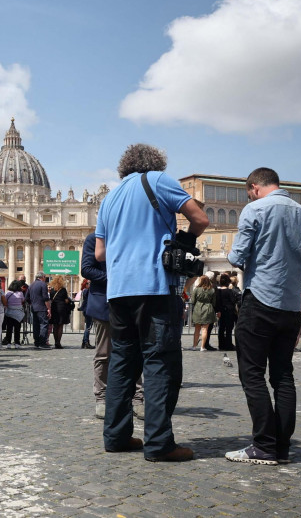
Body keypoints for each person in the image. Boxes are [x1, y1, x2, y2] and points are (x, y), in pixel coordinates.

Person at [95, 143, 208, 462]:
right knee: (160, 363)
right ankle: (159, 443)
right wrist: (184, 242)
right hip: (155, 286)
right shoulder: (159, 180)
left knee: (121, 364)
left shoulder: (109, 198)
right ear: (156, 164)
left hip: (118, 292)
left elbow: (100, 254)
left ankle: (115, 436)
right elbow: (200, 219)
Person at [226, 167, 301, 466]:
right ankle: (281, 447)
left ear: (254, 187)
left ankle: (263, 445)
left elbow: (236, 257)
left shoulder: (254, 209)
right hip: (291, 305)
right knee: (283, 375)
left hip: (260, 300)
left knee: (251, 373)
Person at [81, 232, 145, 421]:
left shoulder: (131, 235)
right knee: (103, 353)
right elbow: (86, 269)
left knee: (134, 352)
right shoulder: (94, 239)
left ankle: (137, 399)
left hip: (132, 300)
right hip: (104, 303)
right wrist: (116, 277)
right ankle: (101, 398)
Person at [190, 276, 217, 351]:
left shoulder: (196, 289)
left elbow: (193, 301)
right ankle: (202, 347)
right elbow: (214, 302)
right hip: (208, 308)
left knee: (197, 329)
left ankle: (194, 346)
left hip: (198, 308)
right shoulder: (212, 290)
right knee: (205, 329)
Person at [27, 273, 52, 349]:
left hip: (34, 308)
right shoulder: (43, 284)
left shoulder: (31, 285)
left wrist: (32, 303)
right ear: (43, 277)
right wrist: (49, 308)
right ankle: (42, 343)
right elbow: (45, 298)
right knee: (44, 324)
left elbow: (26, 298)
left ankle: (36, 342)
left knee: (36, 325)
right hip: (42, 308)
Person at [49, 275, 73, 349]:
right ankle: (58, 342)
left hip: (54, 308)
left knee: (55, 326)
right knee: (60, 325)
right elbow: (66, 300)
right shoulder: (63, 290)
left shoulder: (52, 290)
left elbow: (50, 299)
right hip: (61, 308)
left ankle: (55, 341)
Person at [215, 273, 238, 350]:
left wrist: (218, 311)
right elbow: (233, 300)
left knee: (221, 328)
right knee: (228, 329)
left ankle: (221, 345)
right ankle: (228, 345)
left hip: (221, 311)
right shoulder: (229, 291)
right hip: (229, 311)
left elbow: (217, 302)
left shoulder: (218, 291)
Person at [2, 280, 25, 348]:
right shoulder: (20, 293)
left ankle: (8, 343)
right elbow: (22, 300)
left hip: (9, 312)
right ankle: (17, 343)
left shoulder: (8, 293)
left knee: (9, 329)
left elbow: (5, 301)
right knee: (17, 329)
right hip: (18, 313)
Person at [77, 279, 93, 349]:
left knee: (88, 326)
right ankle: (86, 342)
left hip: (86, 310)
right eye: (88, 283)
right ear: (85, 284)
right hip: (88, 310)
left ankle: (84, 342)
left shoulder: (84, 290)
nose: (90, 284)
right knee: (88, 327)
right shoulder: (87, 291)